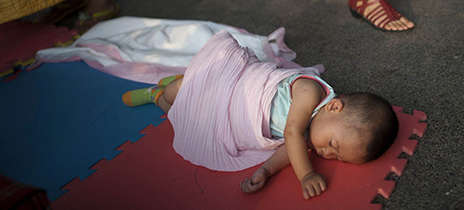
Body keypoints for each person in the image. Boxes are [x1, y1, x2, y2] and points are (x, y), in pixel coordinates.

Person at [121, 31, 398, 199]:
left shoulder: (311, 135)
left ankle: (157, 99)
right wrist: (306, 175)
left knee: (186, 120)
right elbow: (291, 133)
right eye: (333, 145)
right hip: (231, 87)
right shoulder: (310, 91)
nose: (326, 153)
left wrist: (265, 170)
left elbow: (292, 148)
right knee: (178, 92)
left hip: (228, 115)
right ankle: (165, 90)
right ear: (334, 107)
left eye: (337, 157)